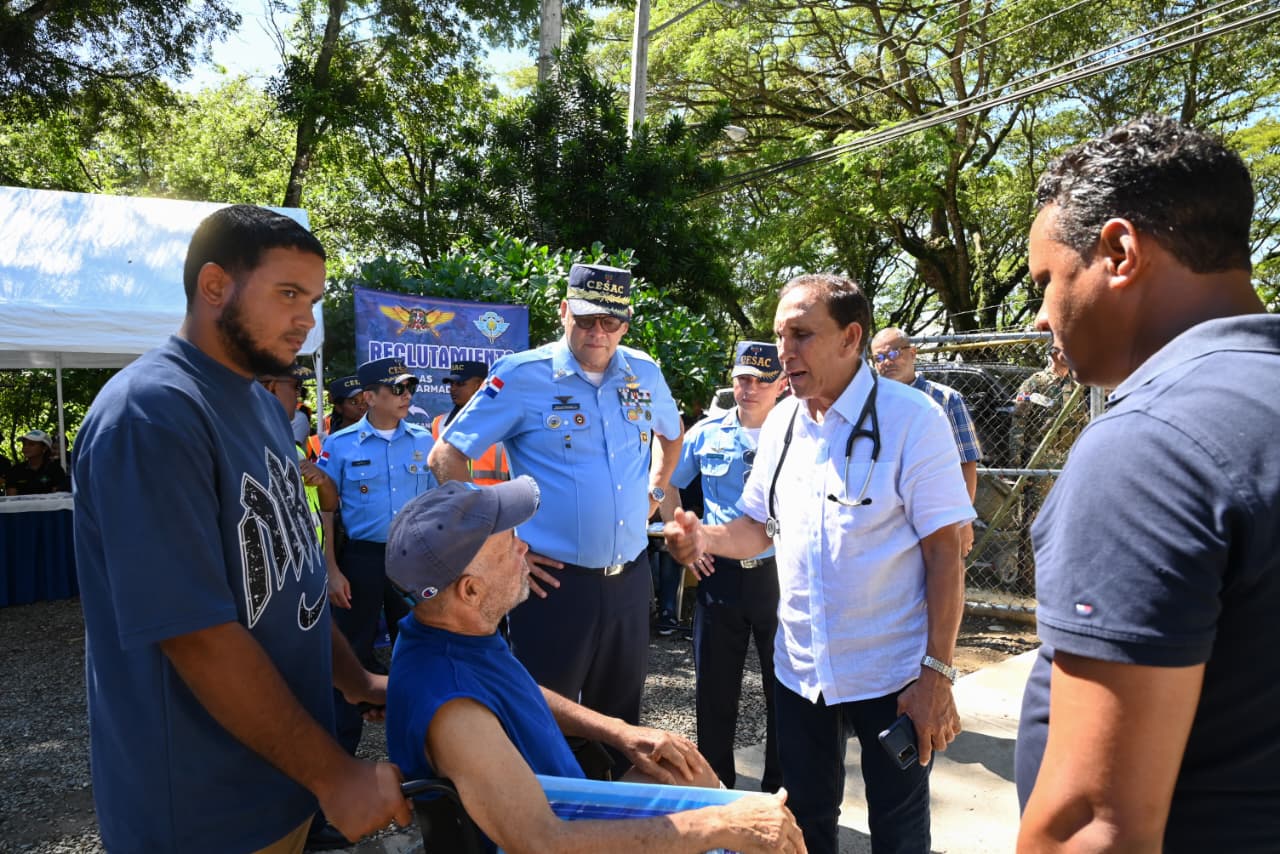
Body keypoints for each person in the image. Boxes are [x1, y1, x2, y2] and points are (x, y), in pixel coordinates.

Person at [71, 204, 410, 853]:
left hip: (282, 782)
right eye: (288, 293)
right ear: (215, 286)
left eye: (312, 299)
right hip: (201, 808)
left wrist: (355, 680)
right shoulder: (150, 415)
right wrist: (336, 773)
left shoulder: (257, 400)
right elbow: (195, 633)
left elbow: (294, 587)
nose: (306, 319)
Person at [1014, 116, 1280, 852]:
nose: (1041, 317)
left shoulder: (1150, 447)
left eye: (1047, 281)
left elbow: (1093, 825)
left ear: (1120, 252)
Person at [665, 273, 972, 854]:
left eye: (802, 335)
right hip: (801, 670)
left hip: (893, 674)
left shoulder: (913, 420)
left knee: (899, 831)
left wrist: (938, 673)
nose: (786, 352)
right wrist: (701, 538)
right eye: (781, 335)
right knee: (802, 822)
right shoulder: (781, 423)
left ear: (851, 337)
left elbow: (945, 551)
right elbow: (757, 529)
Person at [384, 477, 806, 854]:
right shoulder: (455, 713)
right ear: (471, 590)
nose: (525, 548)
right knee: (749, 826)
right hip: (561, 832)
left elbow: (516, 692)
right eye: (510, 544)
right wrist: (716, 825)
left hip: (566, 805)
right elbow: (541, 842)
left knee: (684, 767)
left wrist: (618, 731)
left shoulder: (449, 633)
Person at [428, 263, 683, 772]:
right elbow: (446, 457)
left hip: (629, 581)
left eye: (610, 322)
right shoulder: (523, 375)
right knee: (539, 725)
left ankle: (612, 832)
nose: (598, 332)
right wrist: (491, 544)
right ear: (564, 311)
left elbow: (672, 437)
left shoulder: (644, 372)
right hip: (551, 585)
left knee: (620, 727)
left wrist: (654, 493)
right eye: (586, 318)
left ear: (625, 325)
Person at [666, 341, 788, 793]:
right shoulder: (706, 433)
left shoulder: (800, 433)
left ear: (780, 384)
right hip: (721, 576)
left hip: (779, 577)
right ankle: (716, 791)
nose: (749, 388)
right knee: (716, 692)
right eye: (742, 378)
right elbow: (667, 485)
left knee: (786, 691)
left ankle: (780, 788)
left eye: (760, 379)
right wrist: (684, 539)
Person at [317, 356, 438, 756]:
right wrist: (331, 570)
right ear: (369, 397)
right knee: (350, 652)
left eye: (409, 388)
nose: (407, 396)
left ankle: (426, 744)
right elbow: (327, 514)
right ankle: (340, 756)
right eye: (397, 389)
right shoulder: (339, 445)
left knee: (422, 647)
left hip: (414, 561)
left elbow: (442, 503)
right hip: (362, 560)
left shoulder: (424, 440)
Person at [870, 327, 982, 555]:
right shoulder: (869, 405)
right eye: (878, 358)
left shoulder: (946, 399)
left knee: (943, 585)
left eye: (893, 354)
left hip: (938, 517)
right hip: (885, 522)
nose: (886, 363)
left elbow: (966, 463)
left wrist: (963, 522)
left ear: (913, 353)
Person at [259, 364, 339, 548]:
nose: (299, 396)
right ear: (269, 387)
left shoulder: (294, 448)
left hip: (311, 562)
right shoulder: (244, 445)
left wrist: (324, 480)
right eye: (296, 387)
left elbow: (327, 507)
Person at [430, 360, 510, 485]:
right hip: (455, 502)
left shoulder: (506, 423)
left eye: (460, 383)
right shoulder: (438, 424)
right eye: (451, 384)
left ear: (479, 384)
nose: (453, 389)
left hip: (496, 502)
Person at [5, 429, 68, 495]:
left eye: (31, 444)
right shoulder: (15, 470)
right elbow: (11, 499)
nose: (26, 447)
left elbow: (58, 498)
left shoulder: (55, 469)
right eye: (24, 444)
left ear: (44, 448)